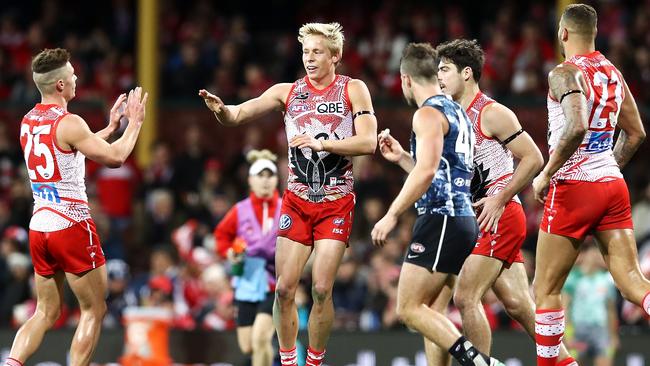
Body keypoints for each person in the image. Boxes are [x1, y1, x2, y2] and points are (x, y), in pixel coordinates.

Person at [199, 22, 377, 366]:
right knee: (283, 290)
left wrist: (322, 143)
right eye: (305, 51)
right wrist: (222, 110)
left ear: (335, 56)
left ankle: (314, 361)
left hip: (336, 202)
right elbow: (237, 115)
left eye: (317, 52)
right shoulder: (288, 91)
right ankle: (288, 360)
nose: (309, 58)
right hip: (296, 202)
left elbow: (368, 143)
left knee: (322, 289)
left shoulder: (353, 89)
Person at [435, 39, 575, 365]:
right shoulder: (449, 114)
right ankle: (567, 363)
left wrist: (500, 197)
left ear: (466, 73)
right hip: (476, 218)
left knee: (466, 296)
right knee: (518, 304)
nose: (438, 76)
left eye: (444, 69)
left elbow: (533, 157)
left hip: (498, 215)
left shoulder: (492, 112)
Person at [4, 48, 147, 366]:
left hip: (40, 226)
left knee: (45, 311)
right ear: (59, 85)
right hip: (72, 224)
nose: (76, 78)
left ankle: (12, 363)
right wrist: (134, 124)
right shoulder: (70, 122)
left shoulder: (28, 121)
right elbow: (115, 158)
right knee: (94, 309)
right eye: (71, 74)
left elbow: (69, 151)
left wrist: (110, 129)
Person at [531, 4, 650, 366]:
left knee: (545, 289)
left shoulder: (563, 73)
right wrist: (607, 167)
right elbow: (636, 133)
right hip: (612, 184)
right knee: (632, 282)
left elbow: (577, 124)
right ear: (594, 34)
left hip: (573, 186)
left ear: (563, 34)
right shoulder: (613, 72)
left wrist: (547, 172)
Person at [372, 42, 503, 366]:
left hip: (441, 219)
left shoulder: (427, 113)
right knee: (432, 311)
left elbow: (428, 171)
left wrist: (391, 215)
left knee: (408, 308)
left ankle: (481, 362)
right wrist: (404, 157)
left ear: (405, 80)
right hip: (462, 220)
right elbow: (443, 170)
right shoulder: (457, 109)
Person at [214, 149, 281, 366]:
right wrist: (230, 253)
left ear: (276, 180)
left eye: (269, 175)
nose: (265, 181)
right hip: (246, 282)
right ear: (250, 180)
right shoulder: (239, 210)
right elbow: (221, 237)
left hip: (273, 283)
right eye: (259, 176)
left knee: (260, 337)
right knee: (248, 346)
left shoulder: (286, 208)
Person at [562, 243, 618, 366]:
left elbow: (610, 309)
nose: (596, 257)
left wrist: (613, 336)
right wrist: (567, 334)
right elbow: (565, 307)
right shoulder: (573, 278)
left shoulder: (607, 279)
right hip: (578, 328)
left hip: (600, 328)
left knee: (604, 360)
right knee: (574, 362)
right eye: (593, 253)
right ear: (586, 255)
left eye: (599, 254)